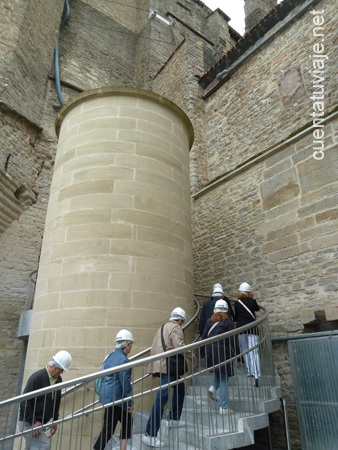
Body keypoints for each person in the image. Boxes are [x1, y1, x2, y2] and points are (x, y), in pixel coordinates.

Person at [142, 307, 187, 448]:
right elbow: (179, 346)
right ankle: (149, 434)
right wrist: (192, 355)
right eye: (183, 322)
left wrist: (153, 370)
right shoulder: (176, 328)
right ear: (180, 320)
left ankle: (173, 418)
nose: (182, 324)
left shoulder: (161, 328)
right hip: (168, 367)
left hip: (162, 366)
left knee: (180, 388)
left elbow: (154, 349)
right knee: (162, 398)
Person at [18, 350, 72, 450]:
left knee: (31, 447)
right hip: (29, 422)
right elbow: (24, 401)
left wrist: (55, 421)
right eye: (61, 369)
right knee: (43, 445)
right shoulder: (37, 377)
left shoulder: (58, 379)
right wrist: (33, 422)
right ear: (55, 366)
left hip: (38, 422)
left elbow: (56, 401)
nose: (62, 372)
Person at [94, 329, 134, 450]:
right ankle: (96, 448)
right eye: (131, 344)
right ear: (127, 345)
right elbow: (125, 384)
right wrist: (130, 402)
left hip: (110, 396)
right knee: (108, 428)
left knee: (127, 421)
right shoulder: (123, 360)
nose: (131, 347)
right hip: (115, 399)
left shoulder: (110, 355)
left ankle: (123, 448)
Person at [201, 299, 238, 414]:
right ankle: (223, 406)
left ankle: (213, 386)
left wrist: (202, 353)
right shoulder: (228, 323)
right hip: (223, 351)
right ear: (226, 310)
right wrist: (239, 355)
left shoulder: (209, 322)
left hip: (210, 351)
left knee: (219, 372)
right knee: (224, 378)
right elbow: (232, 339)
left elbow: (203, 337)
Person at [234, 282, 261, 387]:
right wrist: (252, 297)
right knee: (254, 351)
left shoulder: (237, 303)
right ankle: (256, 374)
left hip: (241, 328)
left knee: (245, 350)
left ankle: (249, 370)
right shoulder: (252, 301)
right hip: (252, 328)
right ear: (249, 292)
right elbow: (257, 308)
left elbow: (236, 317)